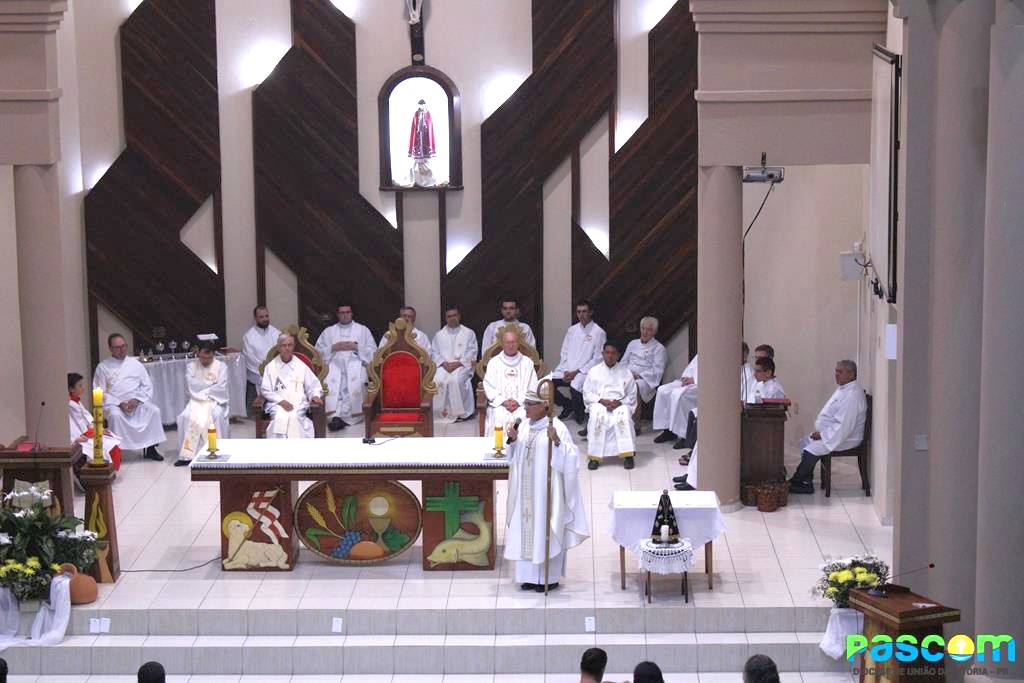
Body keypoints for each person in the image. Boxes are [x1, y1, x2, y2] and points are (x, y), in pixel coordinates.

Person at [504, 388, 589, 592]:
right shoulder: (523, 426)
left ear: (544, 406)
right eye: (525, 404)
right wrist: (513, 441)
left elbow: (572, 460)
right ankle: (528, 577)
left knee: (545, 528)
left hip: (546, 493)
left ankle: (547, 579)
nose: (525, 408)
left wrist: (557, 442)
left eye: (530, 404)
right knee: (527, 531)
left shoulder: (556, 427)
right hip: (526, 492)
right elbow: (514, 458)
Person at [789, 359, 867, 494]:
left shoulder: (852, 395)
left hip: (846, 437)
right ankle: (806, 481)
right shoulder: (844, 389)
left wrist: (823, 435)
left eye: (840, 372)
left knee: (811, 449)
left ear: (851, 374)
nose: (836, 374)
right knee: (805, 442)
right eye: (836, 371)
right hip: (835, 433)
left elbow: (845, 425)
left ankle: (798, 482)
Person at [93, 334, 165, 461]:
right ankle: (116, 451)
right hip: (115, 404)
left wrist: (137, 400)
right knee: (115, 416)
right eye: (117, 347)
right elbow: (100, 392)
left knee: (154, 411)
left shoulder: (135, 364)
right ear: (110, 348)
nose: (121, 350)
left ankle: (151, 448)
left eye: (123, 346)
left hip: (136, 402)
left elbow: (147, 385)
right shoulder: (103, 367)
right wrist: (118, 403)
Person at [315, 303, 375, 430]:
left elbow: (373, 351)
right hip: (334, 365)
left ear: (351, 314)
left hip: (356, 364)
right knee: (331, 384)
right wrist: (332, 348)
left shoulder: (363, 330)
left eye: (347, 312)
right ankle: (335, 416)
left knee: (357, 382)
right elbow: (317, 352)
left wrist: (356, 347)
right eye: (342, 313)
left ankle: (350, 417)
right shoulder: (328, 331)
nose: (345, 315)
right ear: (338, 315)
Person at [582, 341, 637, 470]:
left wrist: (620, 402)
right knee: (596, 417)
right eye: (607, 353)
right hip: (600, 403)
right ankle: (594, 457)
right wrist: (601, 400)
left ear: (618, 355)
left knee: (624, 418)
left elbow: (632, 394)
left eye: (613, 353)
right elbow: (587, 392)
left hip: (620, 403)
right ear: (602, 354)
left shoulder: (626, 372)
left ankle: (628, 455)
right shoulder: (594, 371)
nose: (610, 356)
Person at [551, 300, 606, 428]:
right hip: (568, 369)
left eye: (584, 311)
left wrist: (577, 371)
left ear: (590, 312)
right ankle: (567, 405)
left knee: (576, 385)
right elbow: (564, 352)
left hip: (585, 372)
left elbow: (598, 358)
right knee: (548, 383)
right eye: (579, 312)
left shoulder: (599, 332)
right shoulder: (572, 330)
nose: (581, 314)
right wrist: (565, 370)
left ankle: (579, 413)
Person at [174, 341, 230, 466]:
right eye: (203, 357)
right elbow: (191, 386)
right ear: (198, 353)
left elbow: (221, 388)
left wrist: (203, 389)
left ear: (213, 355)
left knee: (216, 415)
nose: (206, 360)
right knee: (185, 416)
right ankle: (187, 456)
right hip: (195, 401)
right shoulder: (191, 367)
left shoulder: (221, 366)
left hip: (215, 401)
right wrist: (210, 384)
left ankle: (218, 453)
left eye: (209, 358)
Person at [260, 332, 324, 438]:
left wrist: (315, 395)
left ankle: (297, 451)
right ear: (278, 347)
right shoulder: (270, 367)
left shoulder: (301, 366)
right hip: (277, 404)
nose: (287, 348)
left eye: (290, 345)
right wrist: (282, 401)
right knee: (280, 417)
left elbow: (313, 385)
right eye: (284, 345)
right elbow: (265, 390)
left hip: (297, 404)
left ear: (293, 347)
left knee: (294, 417)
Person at [482, 330, 538, 436]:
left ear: (518, 343)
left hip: (521, 404)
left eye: (514, 342)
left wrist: (517, 401)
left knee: (523, 415)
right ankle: (499, 449)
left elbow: (532, 387)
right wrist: (503, 401)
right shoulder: (494, 362)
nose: (511, 345)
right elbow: (488, 385)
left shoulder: (527, 363)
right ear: (502, 344)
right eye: (508, 342)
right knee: (499, 416)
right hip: (500, 405)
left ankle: (521, 449)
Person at [430, 305, 478, 423]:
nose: (452, 318)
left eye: (454, 315)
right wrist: (443, 363)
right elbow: (434, 353)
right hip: (443, 366)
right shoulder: (439, 335)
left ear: (459, 316)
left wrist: (457, 364)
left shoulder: (468, 333)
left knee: (455, 381)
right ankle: (440, 413)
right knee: (438, 380)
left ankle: (461, 414)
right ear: (445, 318)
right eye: (449, 316)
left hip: (461, 366)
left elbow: (472, 351)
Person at [68, 372, 122, 471]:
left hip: (88, 433)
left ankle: (111, 472)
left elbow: (87, 421)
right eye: (80, 386)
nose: (83, 388)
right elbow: (74, 428)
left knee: (112, 440)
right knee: (104, 447)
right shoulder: (69, 405)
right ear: (71, 389)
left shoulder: (77, 401)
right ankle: (103, 475)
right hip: (82, 438)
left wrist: (99, 429)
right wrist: (96, 431)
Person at [241, 306, 280, 417]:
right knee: (265, 381)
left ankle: (279, 409)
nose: (265, 319)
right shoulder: (248, 337)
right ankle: (265, 411)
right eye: (261, 317)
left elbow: (282, 354)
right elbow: (250, 359)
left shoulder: (277, 333)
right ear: (255, 318)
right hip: (257, 373)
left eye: (266, 316)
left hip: (276, 370)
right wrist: (266, 370)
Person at [652, 353, 698, 445]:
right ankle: (668, 431)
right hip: (690, 381)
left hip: (700, 384)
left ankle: (685, 436)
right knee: (663, 390)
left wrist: (694, 380)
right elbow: (692, 367)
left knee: (680, 395)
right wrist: (686, 378)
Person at [622, 316, 668, 405]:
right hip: (627, 374)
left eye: (649, 330)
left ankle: (635, 418)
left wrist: (639, 376)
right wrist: (626, 373)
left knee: (634, 386)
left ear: (654, 332)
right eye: (643, 329)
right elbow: (623, 362)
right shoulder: (632, 343)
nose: (645, 333)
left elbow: (658, 371)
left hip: (644, 380)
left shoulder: (659, 348)